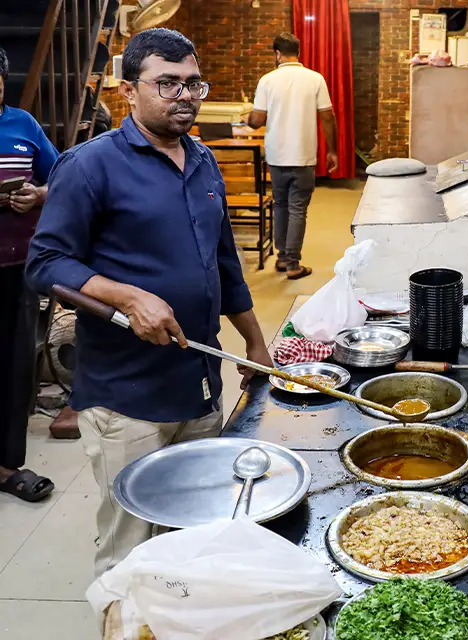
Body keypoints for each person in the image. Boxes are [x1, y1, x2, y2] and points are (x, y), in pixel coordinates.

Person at [26, 28, 272, 577]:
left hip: (200, 379)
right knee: (132, 547)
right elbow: (44, 264)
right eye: (167, 83)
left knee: (191, 531)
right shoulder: (89, 166)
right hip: (126, 396)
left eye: (193, 84)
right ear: (128, 90)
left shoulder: (203, 160)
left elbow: (223, 260)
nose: (184, 96)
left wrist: (255, 340)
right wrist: (127, 296)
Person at [0, 46, 58, 502]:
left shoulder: (23, 124)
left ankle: (6, 465)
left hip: (15, 267)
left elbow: (58, 176)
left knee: (15, 366)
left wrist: (37, 195)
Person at [248, 32, 338, 280]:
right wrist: (332, 150)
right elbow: (328, 116)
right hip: (304, 156)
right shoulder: (315, 79)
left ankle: (283, 258)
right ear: (297, 52)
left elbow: (256, 121)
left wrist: (247, 119)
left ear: (277, 54)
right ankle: (293, 264)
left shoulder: (267, 80)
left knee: (281, 205)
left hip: (276, 156)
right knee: (298, 208)